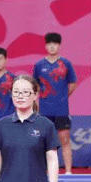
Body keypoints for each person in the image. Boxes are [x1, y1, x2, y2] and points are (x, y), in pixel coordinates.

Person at [33, 32, 77, 174]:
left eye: (55, 44)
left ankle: (68, 171)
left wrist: (63, 96)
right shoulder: (39, 65)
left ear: (59, 46)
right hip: (44, 111)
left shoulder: (66, 63)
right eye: (49, 44)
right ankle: (44, 172)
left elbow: (72, 84)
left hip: (61, 110)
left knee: (64, 140)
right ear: (46, 46)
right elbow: (36, 86)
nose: (52, 46)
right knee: (45, 143)